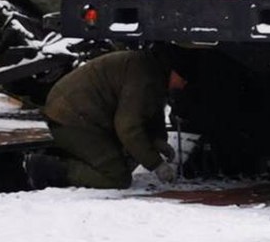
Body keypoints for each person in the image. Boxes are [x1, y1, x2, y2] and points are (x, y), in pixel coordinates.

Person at [24, 49, 184, 189]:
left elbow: (147, 113)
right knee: (117, 177)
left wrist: (157, 141)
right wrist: (156, 164)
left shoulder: (150, 71)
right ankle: (46, 168)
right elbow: (128, 128)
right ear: (172, 71)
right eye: (182, 78)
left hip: (79, 113)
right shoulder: (144, 79)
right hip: (72, 119)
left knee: (132, 152)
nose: (184, 84)